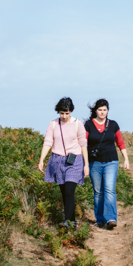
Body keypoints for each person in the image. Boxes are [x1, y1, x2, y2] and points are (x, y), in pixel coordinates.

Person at [38, 97, 89, 228]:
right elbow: (48, 142)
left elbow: (83, 145)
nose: (64, 116)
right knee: (64, 192)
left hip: (75, 160)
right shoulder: (53, 124)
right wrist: (41, 160)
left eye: (67, 113)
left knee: (69, 191)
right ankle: (72, 221)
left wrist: (86, 164)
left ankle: (67, 221)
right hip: (57, 161)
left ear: (71, 111)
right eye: (62, 113)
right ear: (58, 112)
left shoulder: (78, 124)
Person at [84, 99, 130, 230]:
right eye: (100, 110)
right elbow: (83, 144)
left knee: (109, 189)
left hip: (111, 161)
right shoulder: (88, 125)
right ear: (95, 111)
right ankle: (99, 219)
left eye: (104, 110)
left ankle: (110, 218)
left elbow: (120, 143)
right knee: (98, 192)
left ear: (108, 111)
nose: (102, 112)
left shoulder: (113, 125)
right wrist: (84, 163)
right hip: (94, 163)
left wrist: (126, 159)